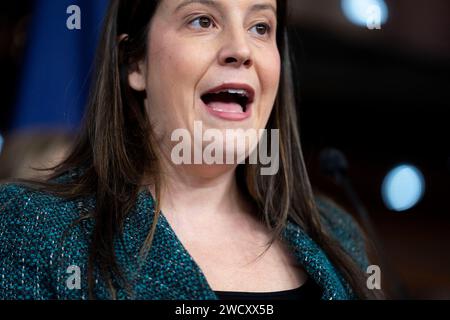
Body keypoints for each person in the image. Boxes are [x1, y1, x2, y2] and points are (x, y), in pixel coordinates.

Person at [0, 0, 381, 300]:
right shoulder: (29, 228)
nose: (241, 49)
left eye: (260, 27)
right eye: (202, 20)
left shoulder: (338, 233)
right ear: (135, 61)